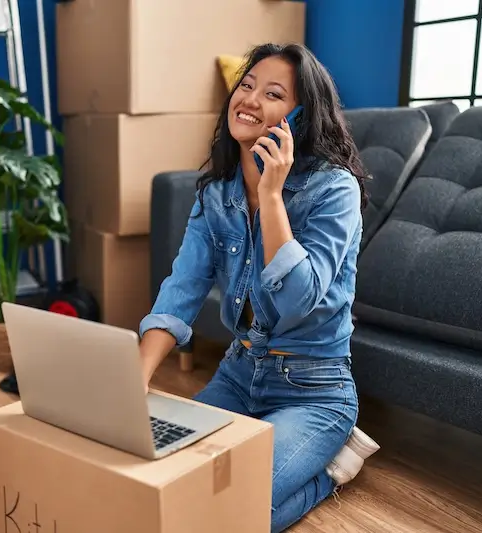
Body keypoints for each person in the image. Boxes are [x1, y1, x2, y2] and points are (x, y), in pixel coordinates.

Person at [138, 43, 380, 532]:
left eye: (272, 93)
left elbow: (298, 299)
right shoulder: (217, 193)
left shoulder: (335, 190)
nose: (248, 99)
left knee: (229, 513)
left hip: (313, 393)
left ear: (300, 116)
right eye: (245, 85)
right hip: (237, 375)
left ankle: (331, 469)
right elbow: (181, 289)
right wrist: (134, 381)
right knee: (162, 489)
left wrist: (271, 195)